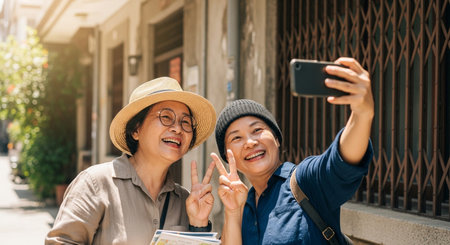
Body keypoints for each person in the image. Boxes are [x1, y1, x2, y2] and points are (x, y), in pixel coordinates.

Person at [212, 57, 374, 245]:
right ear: (227, 155)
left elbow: (340, 162)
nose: (250, 142)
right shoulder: (242, 205)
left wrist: (362, 114)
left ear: (277, 140)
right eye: (236, 138)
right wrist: (232, 213)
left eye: (257, 130)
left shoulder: (305, 182)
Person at [46, 77, 217, 244]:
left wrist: (199, 225)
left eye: (185, 122)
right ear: (136, 129)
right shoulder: (96, 183)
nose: (177, 128)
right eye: (165, 117)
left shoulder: (185, 201)